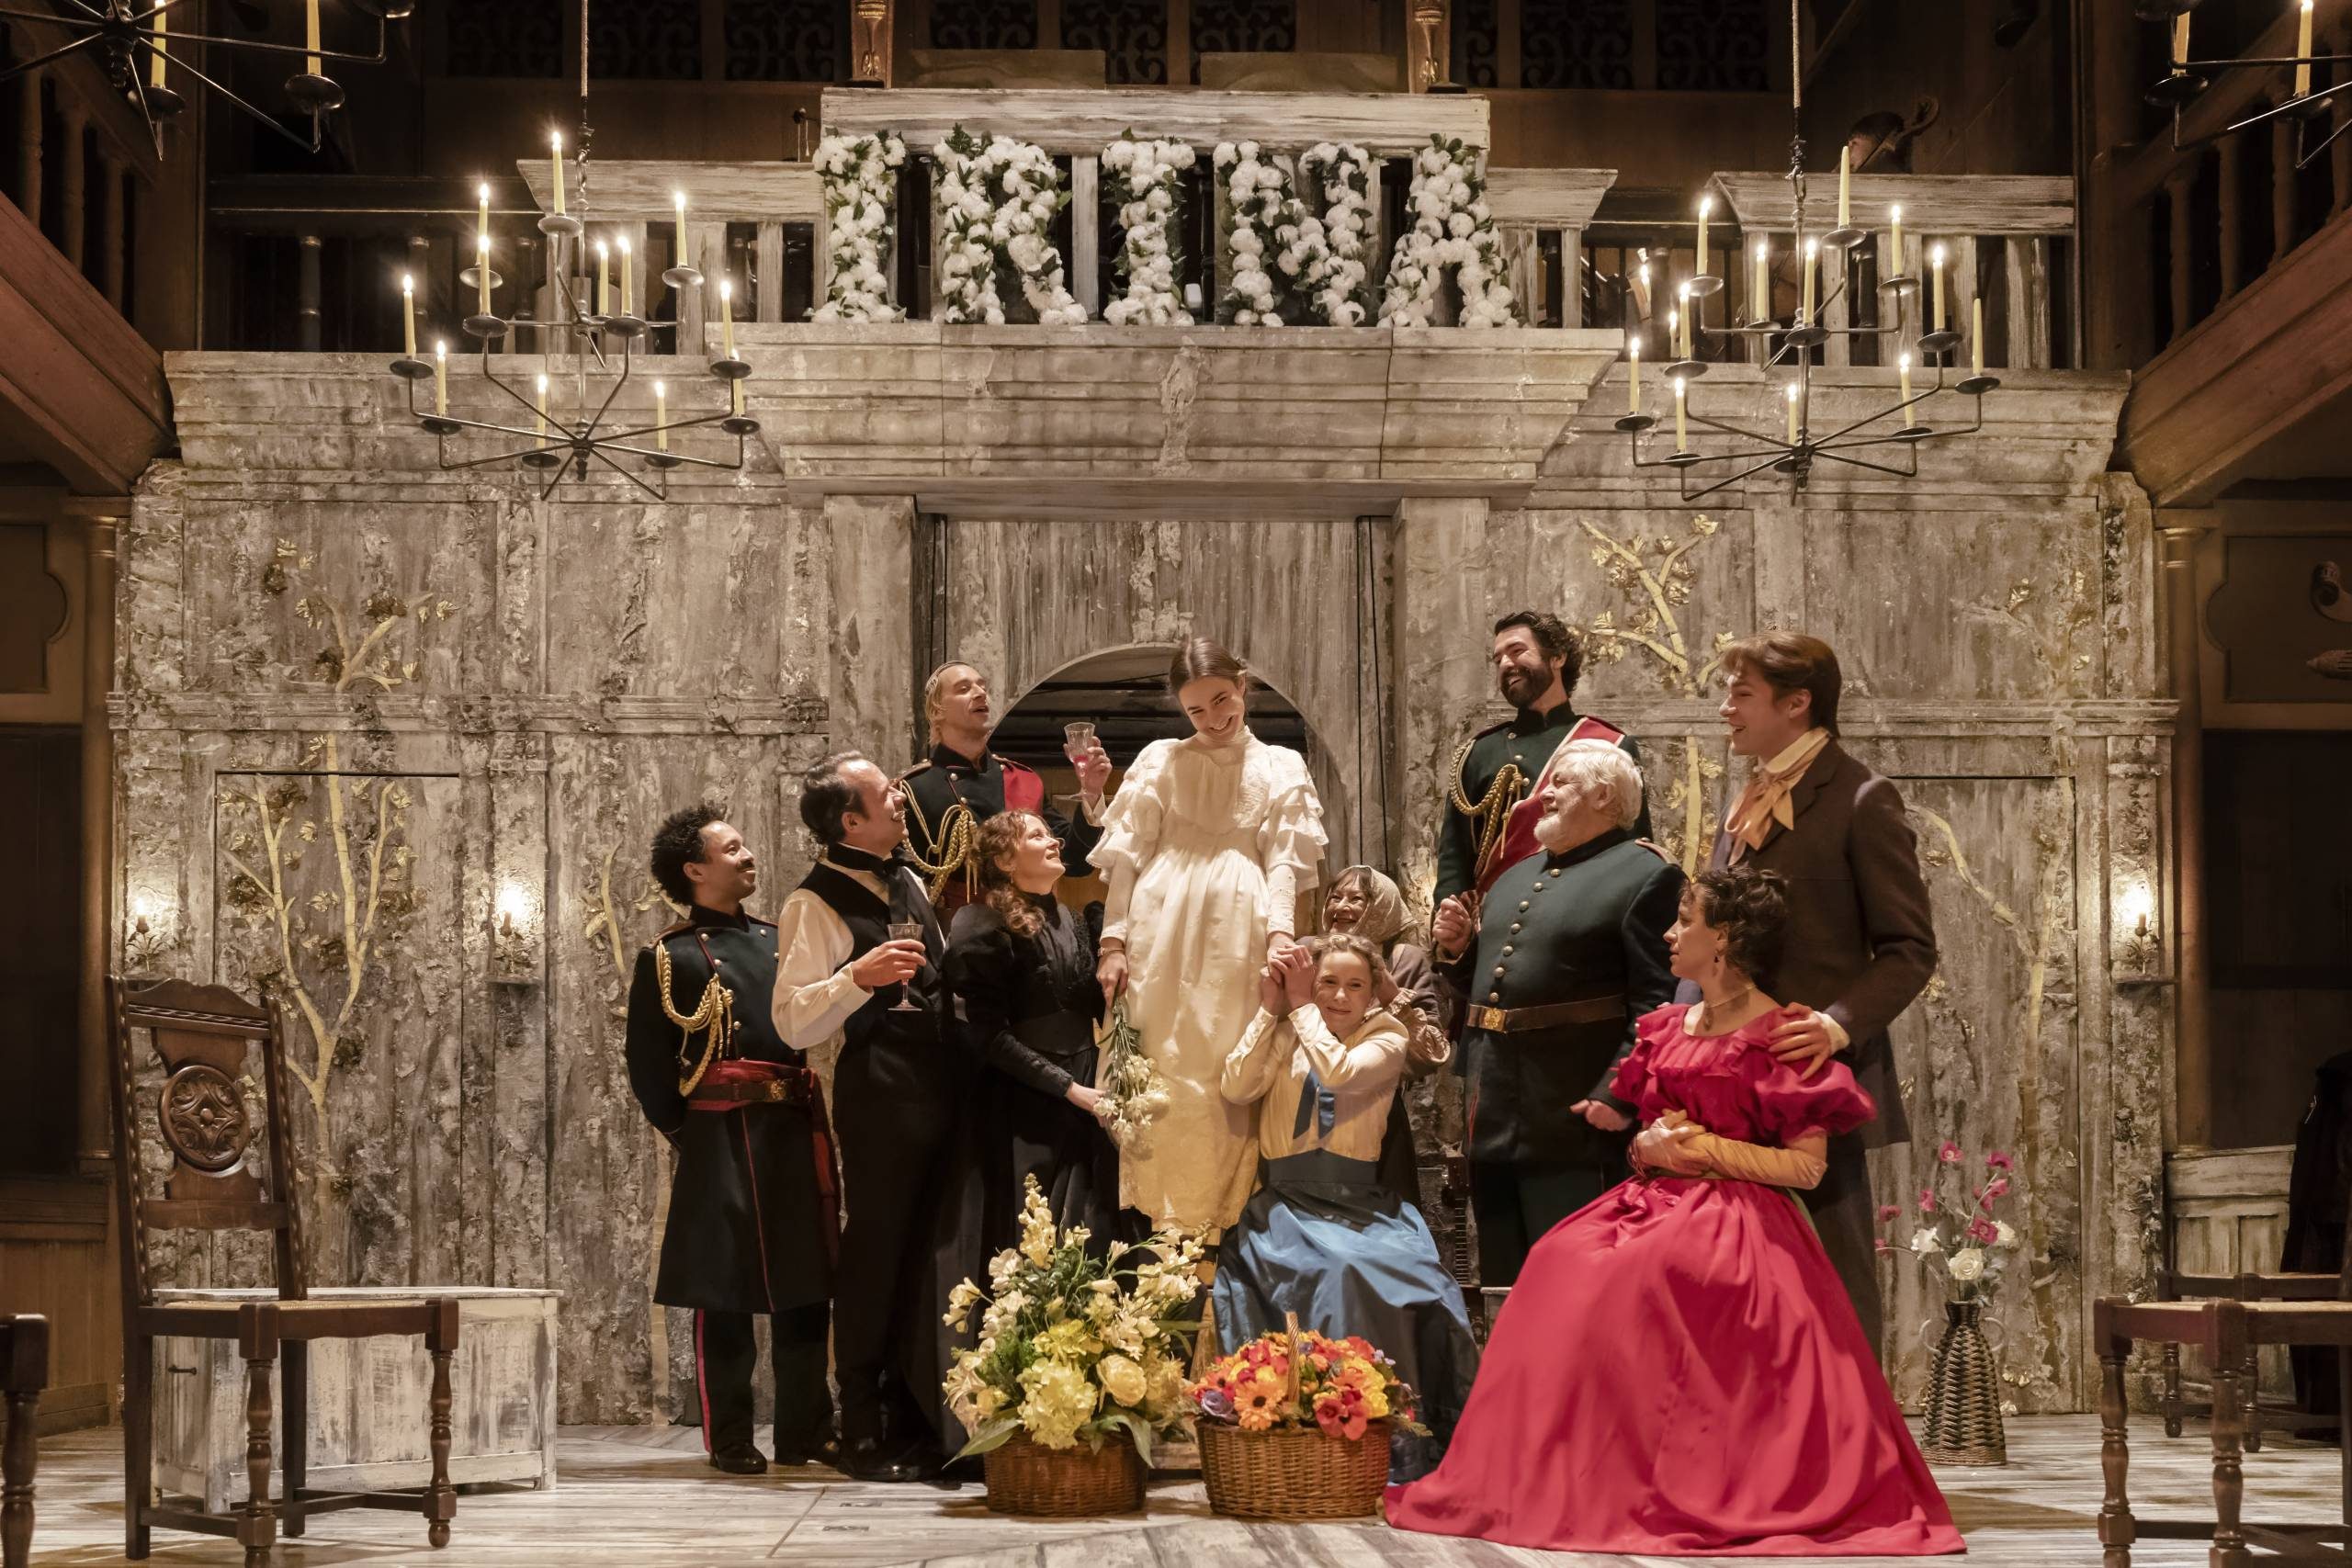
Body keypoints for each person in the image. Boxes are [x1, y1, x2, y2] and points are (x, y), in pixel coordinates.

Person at [1385, 866, 1963, 1556]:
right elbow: (1649, 1135)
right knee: (1558, 1259)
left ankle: (1662, 1474)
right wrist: (1648, 1146)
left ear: (1722, 939)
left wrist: (1706, 1151)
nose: (1669, 931)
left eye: (1685, 919)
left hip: (1742, 1219)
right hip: (1654, 1199)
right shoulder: (1668, 1025)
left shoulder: (1784, 1032)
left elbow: (1805, 1166)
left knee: (1649, 1274)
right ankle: (1569, 1471)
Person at [1693, 631, 1936, 1349]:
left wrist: (1834, 1026)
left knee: (1831, 1282)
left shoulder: (1861, 797)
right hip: (1732, 1079)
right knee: (1742, 1284)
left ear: (1797, 704)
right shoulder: (1748, 800)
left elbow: (1910, 949)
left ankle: (1855, 1447)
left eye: (1741, 694)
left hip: (1810, 1077)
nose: (1724, 709)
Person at [1214, 936, 1481, 1483]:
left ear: (1372, 994)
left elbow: (1336, 1073)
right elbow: (1238, 1086)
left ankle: (1403, 1440)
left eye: (1354, 984)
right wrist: (1271, 1010)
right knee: (1337, 1272)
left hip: (1360, 1205)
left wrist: (1302, 1007)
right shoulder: (1290, 1029)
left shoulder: (1386, 1038)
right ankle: (1312, 1434)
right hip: (1287, 1206)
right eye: (1327, 982)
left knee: (1421, 1282)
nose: (1339, 995)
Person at [771, 753, 971, 1483]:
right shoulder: (811, 902)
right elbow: (792, 1020)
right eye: (885, 789)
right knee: (877, 1253)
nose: (899, 792)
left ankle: (919, 1418)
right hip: (881, 1091)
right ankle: (859, 1427)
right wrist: (857, 975)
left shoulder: (910, 876)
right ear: (850, 818)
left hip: (940, 1083)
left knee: (930, 1251)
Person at [623, 806, 838, 1476]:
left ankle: (805, 1431)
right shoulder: (670, 955)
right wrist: (698, 1135)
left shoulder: (783, 940)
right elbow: (648, 1066)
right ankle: (733, 1436)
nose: (749, 856)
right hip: (720, 1135)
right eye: (733, 848)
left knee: (807, 1287)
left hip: (793, 1128)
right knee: (725, 1293)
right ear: (695, 870)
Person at [1090, 637, 1327, 1237]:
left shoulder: (1280, 765)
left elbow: (1283, 862)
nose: (1215, 718)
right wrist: (1113, 941)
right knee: (1160, 1063)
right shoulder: (1159, 759)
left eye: (1223, 700)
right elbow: (1126, 858)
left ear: (1243, 685)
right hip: (1160, 926)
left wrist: (1279, 932)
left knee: (1226, 1070)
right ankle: (1157, 1231)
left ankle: (1221, 1227)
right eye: (1197, 710)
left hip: (1235, 930)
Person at [1430, 739, 1682, 1288]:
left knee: (1577, 1286)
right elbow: (1491, 991)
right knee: (1503, 1284)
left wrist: (1619, 1092)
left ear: (1603, 794)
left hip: (1575, 1120)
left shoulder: (1647, 874)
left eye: (1561, 782)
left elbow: (1658, 1004)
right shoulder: (1515, 875)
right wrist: (1458, 953)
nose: (1542, 794)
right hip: (1492, 1113)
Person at [944, 809, 1117, 1254]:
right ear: (1004, 860)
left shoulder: (1076, 921)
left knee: (1089, 1232)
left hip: (1086, 1092)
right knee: (1033, 1236)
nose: (1054, 841)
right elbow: (984, 1036)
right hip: (1024, 1105)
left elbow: (1097, 1009)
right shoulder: (983, 926)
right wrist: (1067, 1089)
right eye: (1038, 835)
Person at [1433, 610, 1651, 909]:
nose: (1506, 664)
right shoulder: (1480, 752)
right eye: (1498, 660)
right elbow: (1454, 859)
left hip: (1581, 912)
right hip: (1494, 920)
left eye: (1517, 651)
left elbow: (1633, 848)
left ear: (1558, 657)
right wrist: (1449, 927)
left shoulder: (1609, 744)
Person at [899, 661, 1113, 911]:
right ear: (937, 711)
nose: (980, 693)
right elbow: (905, 886)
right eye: (964, 688)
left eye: (982, 687)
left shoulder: (1024, 780)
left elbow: (1076, 862)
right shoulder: (913, 790)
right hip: (958, 937)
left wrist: (1091, 792)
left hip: (1034, 929)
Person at [1321, 865, 1453, 1207]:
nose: (1340, 907)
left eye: (1356, 899)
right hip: (1306, 1105)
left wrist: (1393, 996)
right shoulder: (1312, 952)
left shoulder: (1402, 960)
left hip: (1377, 1110)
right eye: (1335, 897)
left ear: (1381, 906)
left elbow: (1432, 1054)